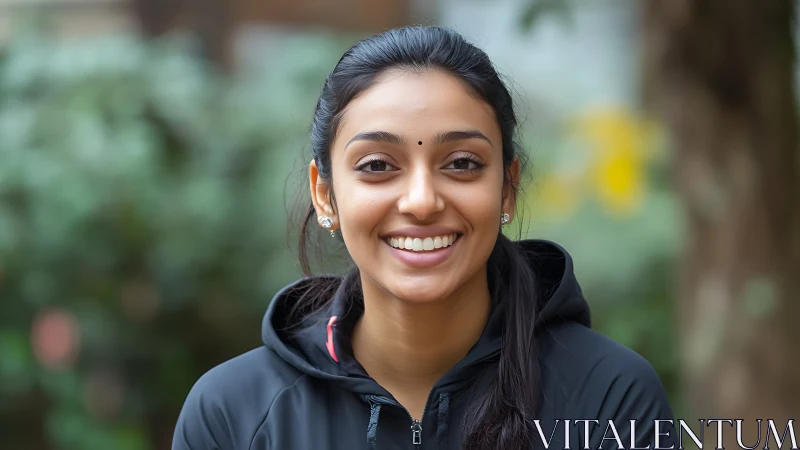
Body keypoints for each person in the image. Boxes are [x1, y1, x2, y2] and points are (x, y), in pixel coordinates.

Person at [172, 26, 677, 450]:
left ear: (507, 187)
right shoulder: (233, 414)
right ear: (325, 194)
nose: (421, 200)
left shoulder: (609, 397)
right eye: (377, 166)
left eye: (461, 164)